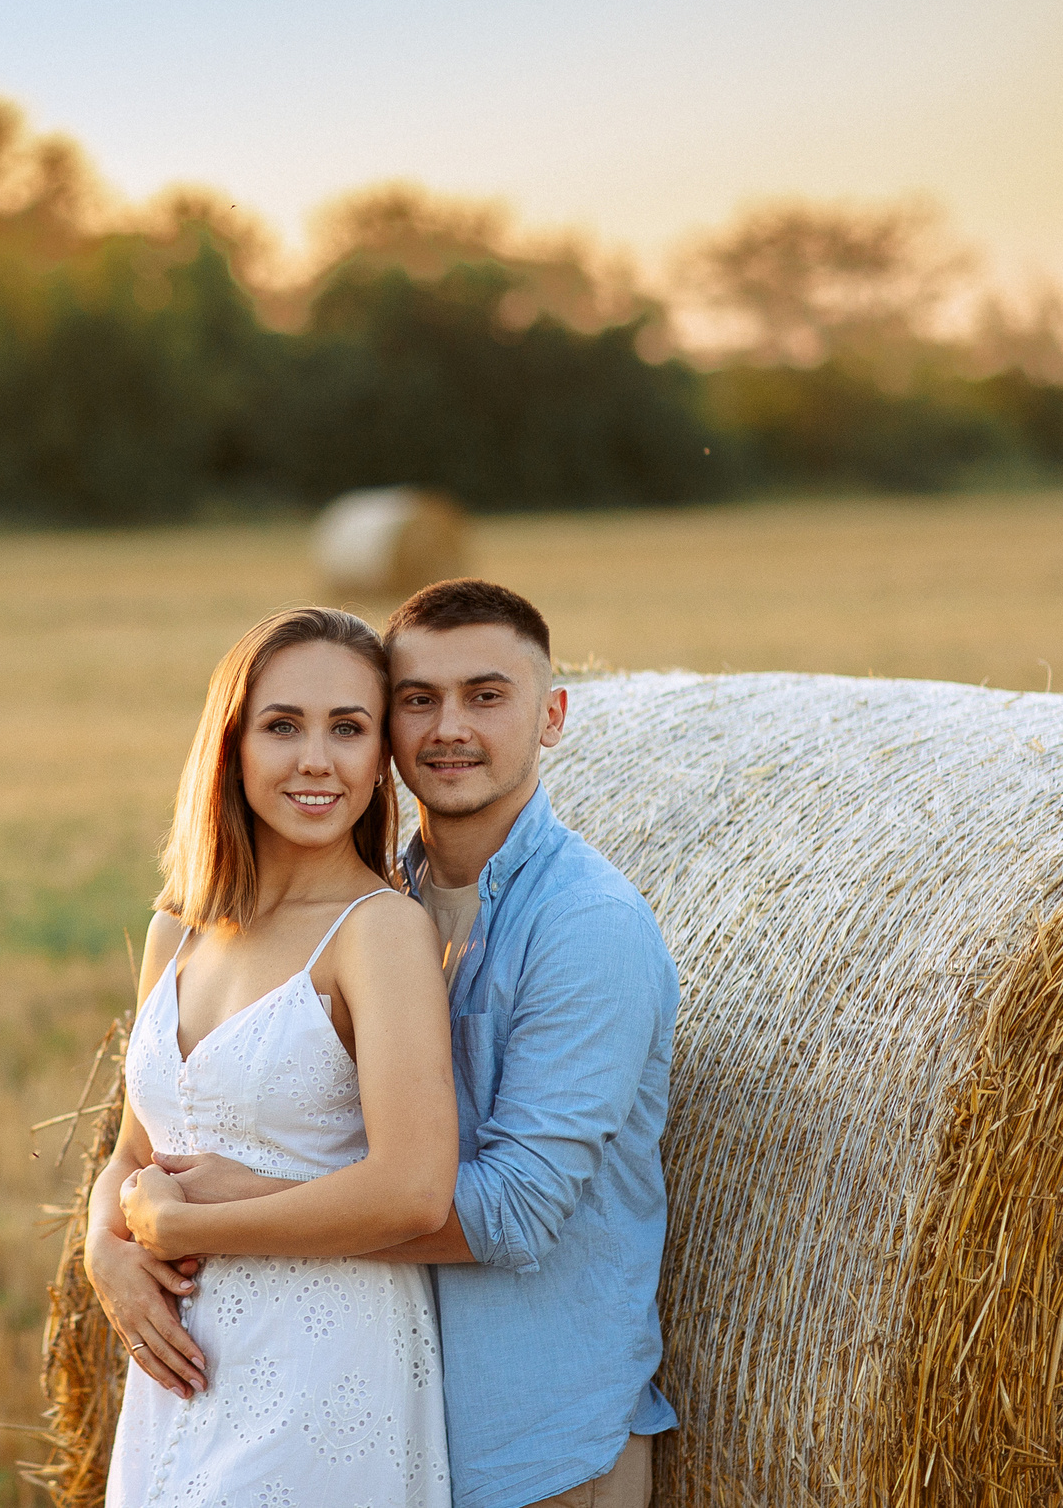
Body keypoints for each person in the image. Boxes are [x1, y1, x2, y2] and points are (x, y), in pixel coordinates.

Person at [152, 580, 681, 1508]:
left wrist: (230, 1215)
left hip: (537, 1444)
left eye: (487, 695)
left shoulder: (585, 926)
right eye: (418, 699)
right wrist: (108, 1243)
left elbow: (514, 1210)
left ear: (551, 716)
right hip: (376, 1410)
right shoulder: (379, 902)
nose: (448, 728)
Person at [87, 605, 458, 1505]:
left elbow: (413, 1187)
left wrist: (186, 1229)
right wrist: (105, 1247)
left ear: (381, 761)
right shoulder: (176, 928)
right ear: (233, 744)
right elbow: (139, 1149)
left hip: (322, 1370)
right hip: (177, 1379)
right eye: (283, 725)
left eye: (349, 728)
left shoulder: (378, 933)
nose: (316, 760)